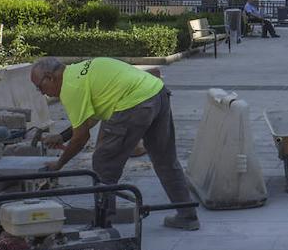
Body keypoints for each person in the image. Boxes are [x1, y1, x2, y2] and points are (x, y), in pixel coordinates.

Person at [30, 57, 200, 231]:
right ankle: (187, 216)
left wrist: (59, 164)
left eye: (39, 87)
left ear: (50, 77)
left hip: (134, 104)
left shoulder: (70, 88)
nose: (42, 92)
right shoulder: (78, 71)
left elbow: (82, 137)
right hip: (157, 93)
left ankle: (103, 226)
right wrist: (62, 136)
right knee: (165, 159)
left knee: (103, 164)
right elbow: (91, 117)